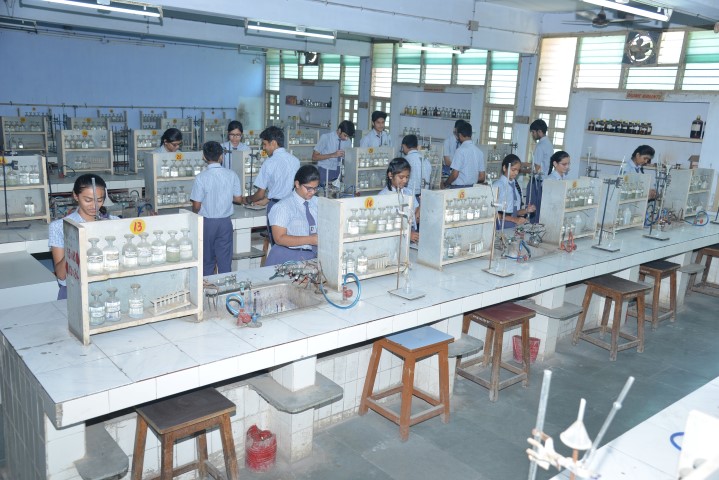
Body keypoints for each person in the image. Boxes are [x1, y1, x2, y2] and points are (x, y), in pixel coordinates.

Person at [48, 174, 118, 300]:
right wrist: (74, 243)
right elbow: (61, 275)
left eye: (99, 200)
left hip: (107, 289)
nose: (94, 206)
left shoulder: (114, 222)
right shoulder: (59, 227)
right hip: (74, 292)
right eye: (88, 200)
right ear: (76, 196)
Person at [191, 141, 243, 277]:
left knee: (207, 260)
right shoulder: (231, 174)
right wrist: (225, 196)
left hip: (207, 223)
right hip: (225, 223)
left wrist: (196, 213)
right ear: (221, 156)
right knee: (225, 261)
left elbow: (196, 206)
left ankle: (206, 287)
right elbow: (238, 199)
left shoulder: (201, 177)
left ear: (204, 156)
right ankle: (225, 286)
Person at [245, 126, 300, 243]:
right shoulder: (295, 160)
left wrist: (248, 199)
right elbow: (286, 188)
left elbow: (260, 194)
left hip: (276, 206)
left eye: (265, 144)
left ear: (273, 143)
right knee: (289, 239)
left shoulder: (269, 163)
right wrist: (268, 199)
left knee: (277, 241)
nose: (264, 148)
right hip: (293, 204)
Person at [265, 165, 320, 266]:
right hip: (287, 256)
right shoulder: (283, 206)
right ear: (297, 184)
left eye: (315, 188)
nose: (312, 192)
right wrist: (311, 240)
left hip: (311, 256)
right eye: (309, 188)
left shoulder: (317, 202)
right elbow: (279, 238)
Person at [378, 157, 420, 243]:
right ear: (390, 175)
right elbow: (385, 225)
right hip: (392, 241)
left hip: (410, 237)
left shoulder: (408, 192)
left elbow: (415, 218)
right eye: (401, 177)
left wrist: (422, 204)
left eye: (407, 177)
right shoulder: (382, 197)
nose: (405, 180)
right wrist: (407, 233)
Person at [493, 154, 536, 229]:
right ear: (504, 168)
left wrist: (526, 210)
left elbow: (515, 211)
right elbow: (493, 213)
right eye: (513, 170)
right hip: (501, 226)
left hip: (512, 225)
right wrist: (514, 219)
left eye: (518, 170)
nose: (516, 173)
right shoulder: (498, 185)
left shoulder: (514, 185)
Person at [526, 119, 553, 224]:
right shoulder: (549, 144)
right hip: (545, 180)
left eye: (533, 132)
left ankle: (531, 227)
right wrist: (523, 164)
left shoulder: (540, 146)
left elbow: (536, 169)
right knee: (539, 207)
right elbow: (539, 164)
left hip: (536, 182)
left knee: (532, 207)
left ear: (539, 131)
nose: (533, 135)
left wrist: (520, 170)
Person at [312, 120, 355, 185]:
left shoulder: (348, 141)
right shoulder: (326, 137)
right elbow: (314, 157)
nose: (346, 138)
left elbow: (349, 159)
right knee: (323, 190)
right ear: (339, 130)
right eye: (345, 135)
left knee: (337, 190)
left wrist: (347, 157)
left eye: (348, 136)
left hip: (339, 171)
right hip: (325, 170)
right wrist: (332, 155)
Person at [444, 121, 485, 188]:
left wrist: (445, 183)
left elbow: (454, 175)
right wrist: (470, 180)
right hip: (472, 188)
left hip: (459, 189)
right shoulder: (479, 152)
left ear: (460, 135)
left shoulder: (460, 151)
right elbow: (482, 177)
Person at [401, 134, 431, 201]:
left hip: (411, 197)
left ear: (404, 146)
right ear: (416, 146)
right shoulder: (426, 160)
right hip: (424, 197)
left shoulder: (406, 160)